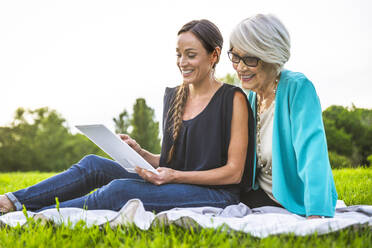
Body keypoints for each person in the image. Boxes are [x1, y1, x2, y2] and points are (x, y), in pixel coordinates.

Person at [0, 19, 254, 214]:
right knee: (92, 164)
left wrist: (173, 176)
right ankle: (11, 202)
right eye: (178, 54)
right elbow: (175, 163)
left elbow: (232, 173)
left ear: (214, 55)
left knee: (121, 190)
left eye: (191, 54)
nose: (182, 62)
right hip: (179, 183)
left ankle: (34, 216)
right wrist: (141, 154)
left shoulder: (233, 99)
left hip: (216, 195)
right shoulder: (174, 96)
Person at [228, 14, 337, 218]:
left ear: (271, 55)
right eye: (235, 57)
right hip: (257, 195)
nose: (240, 67)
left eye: (250, 59)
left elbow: (312, 154)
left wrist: (316, 212)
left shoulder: (297, 88)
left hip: (290, 199)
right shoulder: (251, 96)